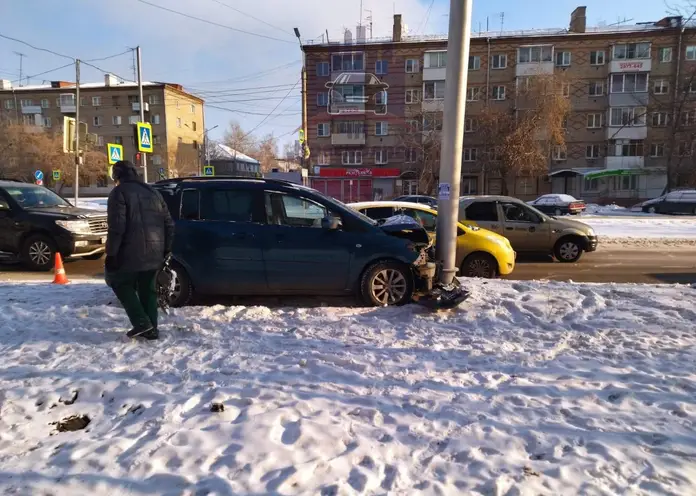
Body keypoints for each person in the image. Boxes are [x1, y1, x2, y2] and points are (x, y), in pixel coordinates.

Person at [104, 160, 175, 340]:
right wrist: (166, 249)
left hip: (129, 251)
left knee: (119, 282)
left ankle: (141, 322)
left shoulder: (118, 193)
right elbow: (169, 223)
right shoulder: (153, 192)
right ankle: (152, 329)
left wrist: (111, 254)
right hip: (155, 251)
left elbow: (116, 227)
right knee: (147, 289)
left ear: (117, 175)